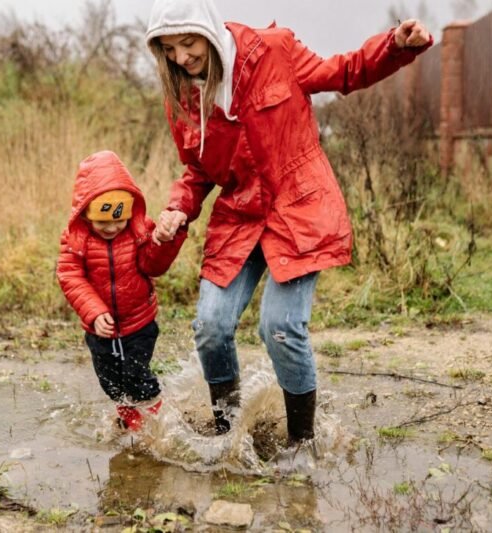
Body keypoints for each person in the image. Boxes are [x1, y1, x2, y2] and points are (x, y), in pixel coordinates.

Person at [146, 0, 432, 443]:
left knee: (279, 328)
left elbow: (344, 72)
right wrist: (177, 208)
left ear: (208, 30)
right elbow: (198, 171)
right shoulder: (183, 96)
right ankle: (228, 435)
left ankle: (302, 444)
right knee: (211, 327)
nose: (181, 58)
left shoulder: (274, 51)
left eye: (188, 43)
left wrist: (395, 46)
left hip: (298, 208)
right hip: (240, 215)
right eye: (168, 49)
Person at [57, 150, 188, 431]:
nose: (112, 227)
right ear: (85, 213)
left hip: (139, 323)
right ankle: (130, 422)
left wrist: (164, 241)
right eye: (102, 221)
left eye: (119, 220)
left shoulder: (139, 230)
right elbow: (70, 275)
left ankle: (158, 422)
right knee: (111, 382)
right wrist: (94, 312)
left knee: (136, 376)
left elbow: (153, 266)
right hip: (100, 329)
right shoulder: (76, 240)